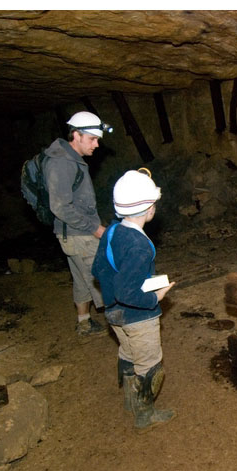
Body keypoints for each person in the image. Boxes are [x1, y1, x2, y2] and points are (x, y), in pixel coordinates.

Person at [91, 169, 176, 431]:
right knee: (150, 365)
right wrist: (155, 296)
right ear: (149, 209)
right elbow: (128, 292)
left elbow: (97, 269)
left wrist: (117, 290)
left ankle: (130, 400)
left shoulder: (112, 231)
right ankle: (145, 414)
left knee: (128, 353)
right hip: (139, 317)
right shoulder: (139, 245)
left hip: (114, 313)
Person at [44, 111, 112, 339]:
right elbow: (60, 207)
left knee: (83, 278)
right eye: (92, 139)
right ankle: (123, 329)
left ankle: (84, 323)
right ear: (76, 135)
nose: (96, 145)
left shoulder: (70, 158)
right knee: (104, 278)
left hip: (74, 234)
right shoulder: (61, 162)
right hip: (78, 235)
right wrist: (94, 228)